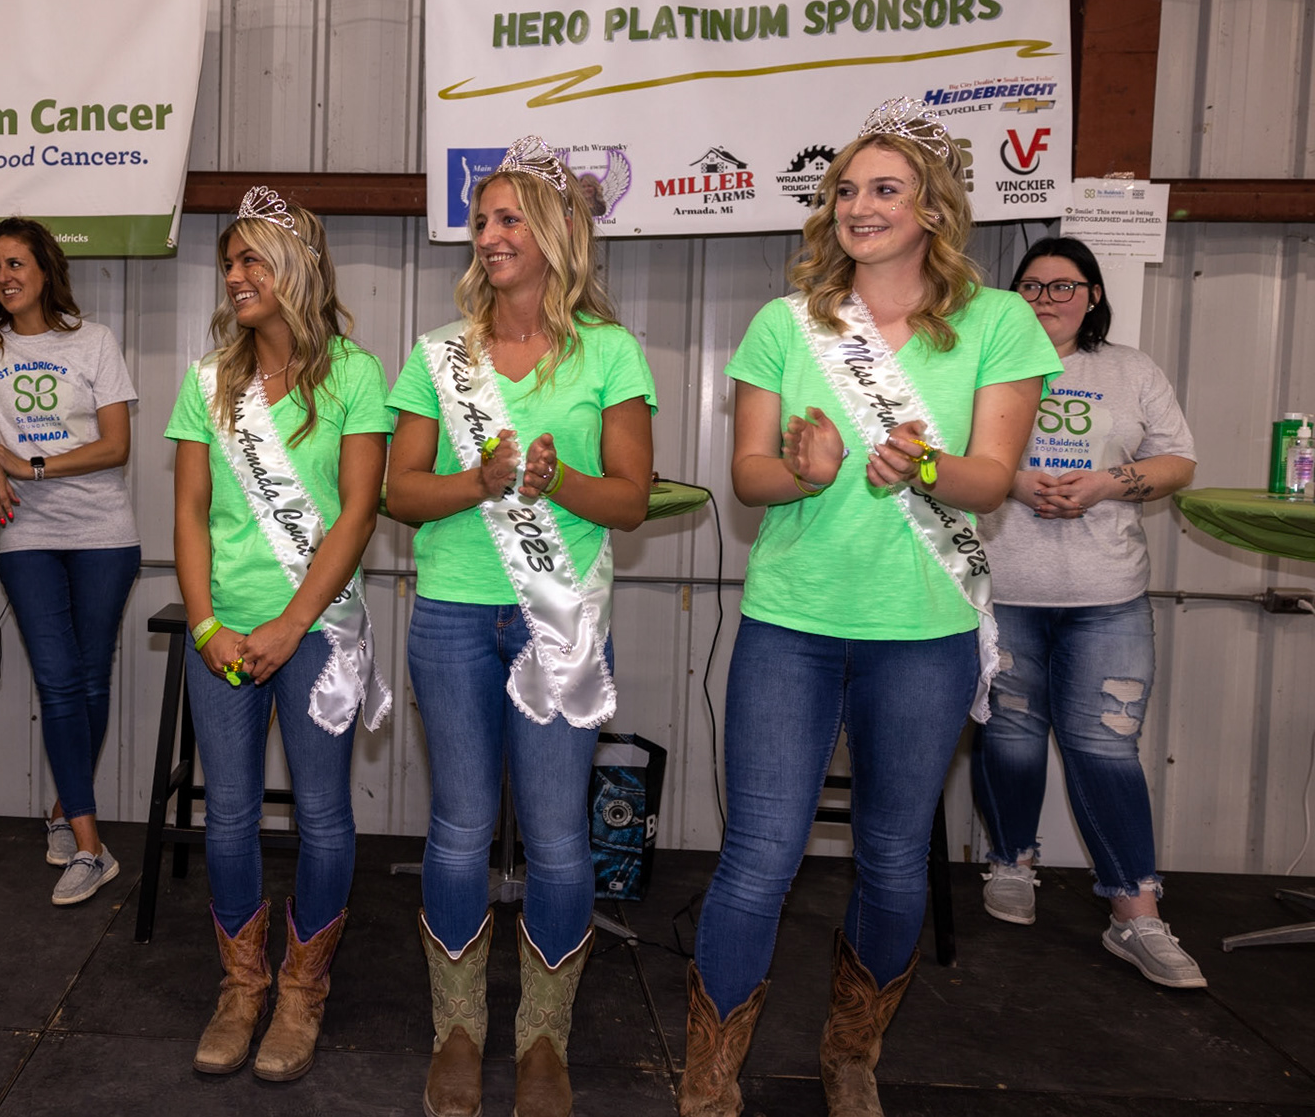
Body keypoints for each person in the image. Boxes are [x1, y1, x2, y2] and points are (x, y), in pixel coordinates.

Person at [681, 99, 1061, 1117]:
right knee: (759, 855)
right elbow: (748, 477)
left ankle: (852, 1055)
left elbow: (992, 481)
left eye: (885, 189)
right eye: (846, 190)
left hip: (923, 630)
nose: (859, 206)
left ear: (932, 209)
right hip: (792, 622)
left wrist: (929, 464)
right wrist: (801, 473)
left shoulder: (999, 322)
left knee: (894, 860)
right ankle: (710, 1070)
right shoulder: (786, 323)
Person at [386, 138, 655, 1117]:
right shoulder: (438, 355)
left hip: (559, 619)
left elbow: (629, 500)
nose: (490, 235)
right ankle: (457, 1031)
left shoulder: (611, 353)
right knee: (459, 830)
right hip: (454, 613)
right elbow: (400, 492)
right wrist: (481, 480)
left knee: (556, 837)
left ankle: (544, 1038)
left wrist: (557, 479)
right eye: (483, 220)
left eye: (509, 219)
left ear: (554, 235)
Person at [168, 187, 390, 1082]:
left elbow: (360, 512)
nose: (235, 275)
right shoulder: (205, 382)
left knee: (323, 814)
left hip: (317, 629)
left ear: (297, 269)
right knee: (227, 814)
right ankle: (242, 986)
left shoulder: (356, 376)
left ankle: (302, 991)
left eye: (253, 259)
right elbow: (188, 511)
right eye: (231, 261)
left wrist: (293, 622)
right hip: (224, 633)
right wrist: (205, 623)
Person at [972, 236, 1203, 987]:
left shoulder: (1131, 370)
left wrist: (1105, 483)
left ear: (1094, 295)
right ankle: (1011, 861)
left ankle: (1136, 913)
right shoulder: (985, 363)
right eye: (1031, 286)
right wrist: (1011, 482)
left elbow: (1179, 460)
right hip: (1005, 590)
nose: (1047, 300)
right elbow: (948, 453)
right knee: (1010, 738)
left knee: (1106, 747)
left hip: (1108, 596)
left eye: (1064, 286)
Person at [0, 216, 140, 907]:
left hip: (103, 531)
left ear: (45, 270)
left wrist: (30, 465)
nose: (4, 276)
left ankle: (65, 808)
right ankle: (91, 846)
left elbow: (116, 445)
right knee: (59, 682)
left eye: (16, 263)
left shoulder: (94, 341)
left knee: (90, 681)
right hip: (26, 532)